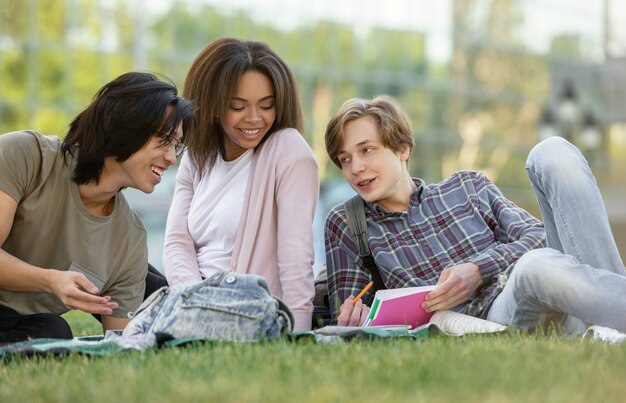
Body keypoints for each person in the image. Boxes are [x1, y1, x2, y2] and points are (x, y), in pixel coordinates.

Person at [323, 95, 626, 334]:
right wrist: (352, 319)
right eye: (345, 159)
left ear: (402, 149)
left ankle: (612, 324)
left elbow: (538, 237)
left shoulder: (467, 186)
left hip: (557, 294)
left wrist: (478, 270)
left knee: (552, 151)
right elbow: (350, 312)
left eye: (366, 150)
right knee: (535, 267)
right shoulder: (348, 224)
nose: (355, 168)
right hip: (493, 317)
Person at [0, 72, 194, 343]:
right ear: (122, 126)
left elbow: (119, 343)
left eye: (177, 145)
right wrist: (52, 280)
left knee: (52, 333)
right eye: (164, 141)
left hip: (19, 322)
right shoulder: (26, 156)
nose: (172, 157)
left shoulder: (129, 239)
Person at [163, 38, 319, 331]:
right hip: (193, 302)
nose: (254, 118)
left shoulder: (288, 150)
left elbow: (296, 255)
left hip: (248, 313)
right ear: (212, 104)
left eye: (266, 105)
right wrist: (197, 304)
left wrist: (299, 331)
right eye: (238, 106)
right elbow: (176, 243)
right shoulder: (197, 157)